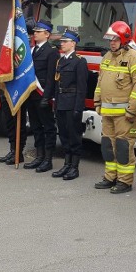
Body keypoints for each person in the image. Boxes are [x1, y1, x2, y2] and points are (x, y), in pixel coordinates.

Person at [93, 21, 136, 194]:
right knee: (108, 146)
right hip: (108, 112)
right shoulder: (107, 57)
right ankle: (110, 177)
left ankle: (125, 181)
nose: (112, 43)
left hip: (125, 115)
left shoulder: (135, 57)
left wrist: (132, 110)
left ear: (124, 39)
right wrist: (97, 102)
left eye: (115, 39)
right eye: (110, 39)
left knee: (124, 147)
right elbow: (100, 82)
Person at [20, 19, 60, 171]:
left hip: (43, 94)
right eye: (35, 31)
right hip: (32, 94)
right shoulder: (32, 50)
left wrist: (47, 97)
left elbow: (51, 77)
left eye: (38, 32)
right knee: (36, 127)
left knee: (48, 127)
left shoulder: (52, 51)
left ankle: (48, 159)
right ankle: (39, 156)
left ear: (47, 34)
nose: (34, 34)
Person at [52, 29, 88, 180]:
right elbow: (57, 83)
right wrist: (55, 103)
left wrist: (78, 108)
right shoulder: (61, 61)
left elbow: (82, 87)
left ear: (73, 43)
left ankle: (74, 167)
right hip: (61, 102)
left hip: (72, 102)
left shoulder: (79, 61)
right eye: (61, 41)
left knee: (74, 136)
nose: (62, 44)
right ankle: (66, 164)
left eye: (65, 41)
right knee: (64, 135)